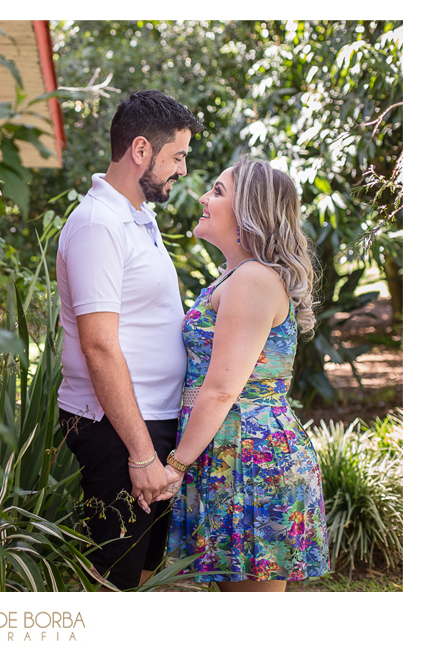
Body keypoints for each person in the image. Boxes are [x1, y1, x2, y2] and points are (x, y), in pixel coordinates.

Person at [56, 90, 202, 591]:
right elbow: (98, 345)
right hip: (116, 429)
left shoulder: (138, 217)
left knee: (140, 573)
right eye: (176, 156)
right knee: (113, 581)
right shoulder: (98, 224)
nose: (182, 170)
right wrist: (141, 454)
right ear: (141, 150)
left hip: (149, 422)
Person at [163, 156, 330, 591]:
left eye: (218, 191)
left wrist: (176, 464)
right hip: (230, 451)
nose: (202, 196)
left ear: (250, 211)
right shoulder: (235, 276)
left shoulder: (252, 278)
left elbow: (221, 389)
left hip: (252, 459)